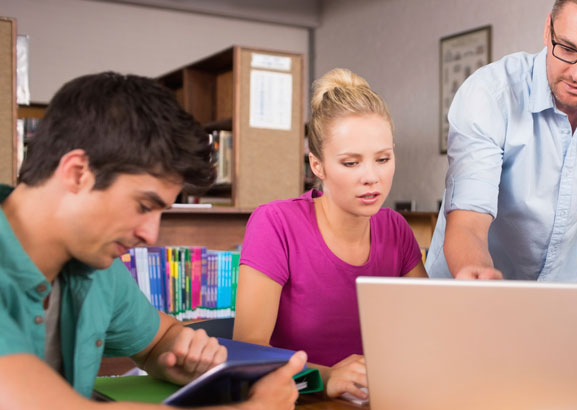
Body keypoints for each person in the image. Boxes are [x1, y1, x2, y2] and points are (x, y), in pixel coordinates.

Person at [0, 72, 304, 409]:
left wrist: (182, 355)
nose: (150, 234)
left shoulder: (96, 264)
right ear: (77, 173)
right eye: (144, 206)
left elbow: (159, 339)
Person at [425, 0, 577, 281]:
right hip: (470, 284)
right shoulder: (490, 94)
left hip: (559, 291)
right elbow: (468, 222)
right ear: (548, 30)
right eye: (568, 49)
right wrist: (481, 281)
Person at [233, 68, 427, 401]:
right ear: (317, 166)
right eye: (351, 163)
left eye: (383, 158)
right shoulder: (276, 223)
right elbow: (247, 357)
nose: (372, 177)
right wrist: (326, 378)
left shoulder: (395, 229)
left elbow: (427, 333)